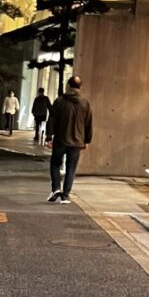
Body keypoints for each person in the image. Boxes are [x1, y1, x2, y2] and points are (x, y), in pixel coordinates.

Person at [47, 74, 93, 204]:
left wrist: (49, 137)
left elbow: (52, 120)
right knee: (71, 168)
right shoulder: (85, 103)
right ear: (80, 87)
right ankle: (65, 195)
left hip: (61, 140)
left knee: (55, 164)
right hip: (77, 142)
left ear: (68, 85)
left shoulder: (60, 101)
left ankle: (56, 188)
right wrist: (87, 140)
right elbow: (88, 123)